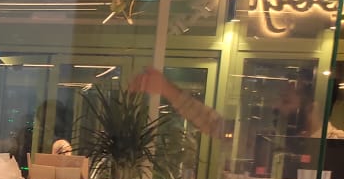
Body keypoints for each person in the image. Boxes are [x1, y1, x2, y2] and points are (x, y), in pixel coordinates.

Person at [129, 66, 343, 140]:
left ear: (312, 108)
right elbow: (215, 124)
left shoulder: (338, 148)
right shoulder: (272, 139)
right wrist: (166, 89)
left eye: (286, 101)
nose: (276, 107)